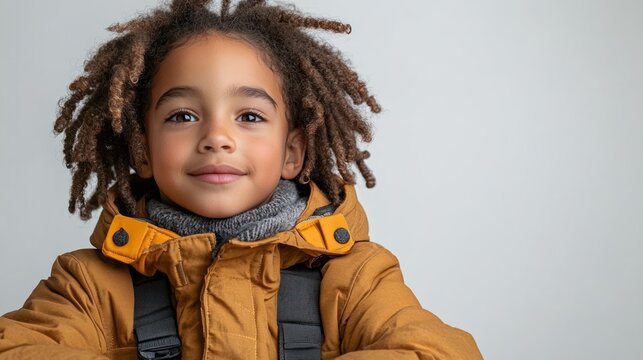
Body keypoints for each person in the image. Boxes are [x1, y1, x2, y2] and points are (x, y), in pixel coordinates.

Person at [0, 0, 483, 358]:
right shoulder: (88, 283)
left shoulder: (354, 275)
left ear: (292, 153)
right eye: (184, 115)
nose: (216, 136)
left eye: (249, 116)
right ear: (143, 151)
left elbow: (436, 351)